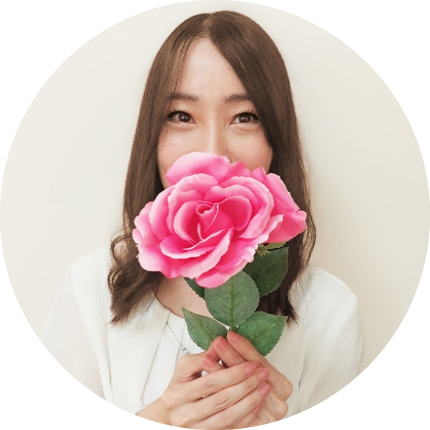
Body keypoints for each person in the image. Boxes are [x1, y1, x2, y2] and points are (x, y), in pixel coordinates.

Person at [40, 10, 363, 427]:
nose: (212, 152)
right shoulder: (89, 292)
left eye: (245, 117)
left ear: (276, 139)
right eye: (181, 116)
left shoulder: (329, 312)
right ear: (152, 136)